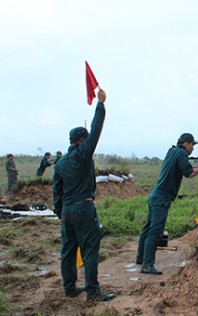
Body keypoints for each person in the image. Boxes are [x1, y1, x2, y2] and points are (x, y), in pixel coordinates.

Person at [53, 89, 116, 302]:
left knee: (68, 250)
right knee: (90, 249)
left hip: (67, 211)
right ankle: (93, 292)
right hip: (83, 208)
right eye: (86, 139)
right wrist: (100, 104)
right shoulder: (83, 154)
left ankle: (69, 287)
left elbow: (57, 190)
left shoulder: (60, 163)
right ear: (81, 140)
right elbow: (96, 130)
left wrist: (59, 211)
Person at [136, 133, 198, 275]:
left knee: (147, 228)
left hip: (155, 195)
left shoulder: (172, 150)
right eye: (192, 145)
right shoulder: (182, 153)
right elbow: (188, 173)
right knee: (155, 231)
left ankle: (140, 258)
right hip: (162, 198)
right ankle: (147, 264)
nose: (193, 148)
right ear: (186, 143)